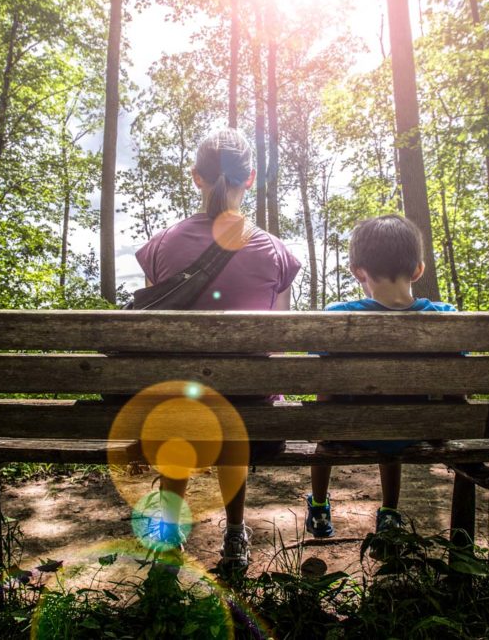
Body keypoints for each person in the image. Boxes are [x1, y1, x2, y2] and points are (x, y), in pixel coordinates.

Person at [134, 127, 301, 570]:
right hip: (251, 420)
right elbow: (279, 340)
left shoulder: (162, 245)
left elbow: (157, 332)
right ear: (249, 180)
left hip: (175, 413)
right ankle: (234, 533)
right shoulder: (274, 251)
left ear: (196, 177)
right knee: (237, 408)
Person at [305, 214, 456, 539]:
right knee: (396, 419)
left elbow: (324, 389)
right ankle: (389, 512)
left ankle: (318, 506)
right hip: (414, 430)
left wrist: (326, 421)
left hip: (349, 429)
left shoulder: (337, 316)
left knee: (326, 414)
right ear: (418, 269)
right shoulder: (445, 318)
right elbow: (457, 393)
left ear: (358, 270)